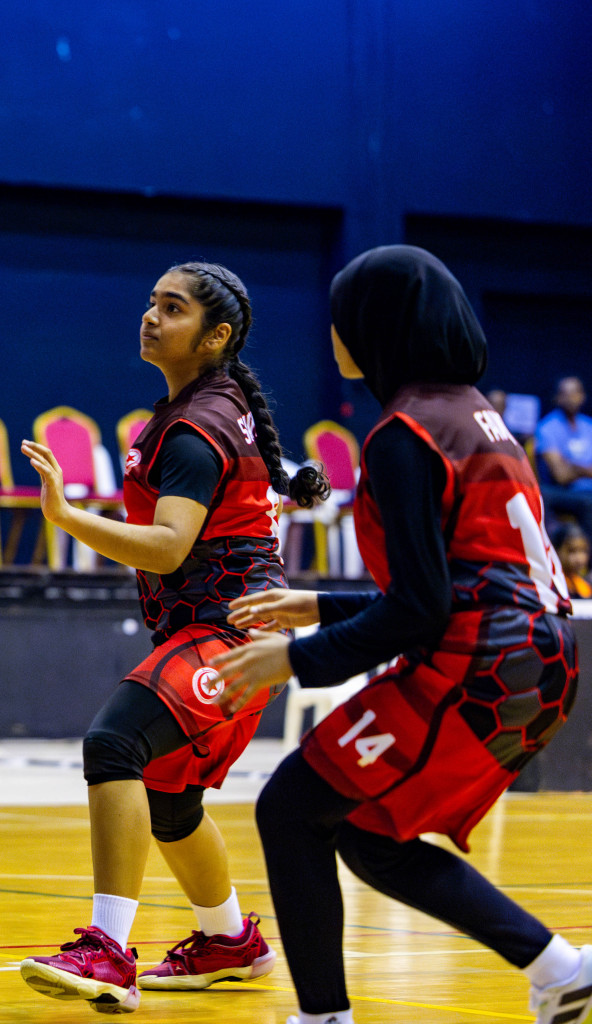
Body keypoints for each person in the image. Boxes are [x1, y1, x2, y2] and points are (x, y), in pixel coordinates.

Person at [213, 245, 588, 1024]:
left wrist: (295, 659)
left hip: (483, 661)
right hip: (544, 656)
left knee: (290, 807)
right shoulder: (476, 414)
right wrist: (318, 605)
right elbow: (450, 589)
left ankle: (323, 1016)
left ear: (377, 327)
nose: (333, 332)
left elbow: (421, 609)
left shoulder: (403, 432)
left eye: (343, 318)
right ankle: (560, 968)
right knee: (362, 826)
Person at [16, 262, 329, 1013]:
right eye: (151, 301)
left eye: (173, 307)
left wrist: (65, 518)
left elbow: (166, 547)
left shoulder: (195, 426)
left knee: (114, 743)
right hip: (223, 632)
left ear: (215, 336)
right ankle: (228, 941)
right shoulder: (207, 409)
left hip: (233, 636)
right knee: (172, 799)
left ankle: (106, 950)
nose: (152, 316)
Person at [535, 376, 592, 538]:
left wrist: (574, 467)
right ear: (557, 398)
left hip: (587, 489)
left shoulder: (589, 426)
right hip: (564, 492)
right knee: (589, 503)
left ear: (583, 396)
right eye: (565, 393)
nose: (571, 398)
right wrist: (585, 470)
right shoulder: (547, 427)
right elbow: (561, 475)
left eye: (575, 392)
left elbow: (568, 470)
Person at [550, 521, 592, 598]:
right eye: (572, 551)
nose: (579, 558)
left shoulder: (586, 585)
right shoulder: (552, 585)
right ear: (556, 551)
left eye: (583, 551)